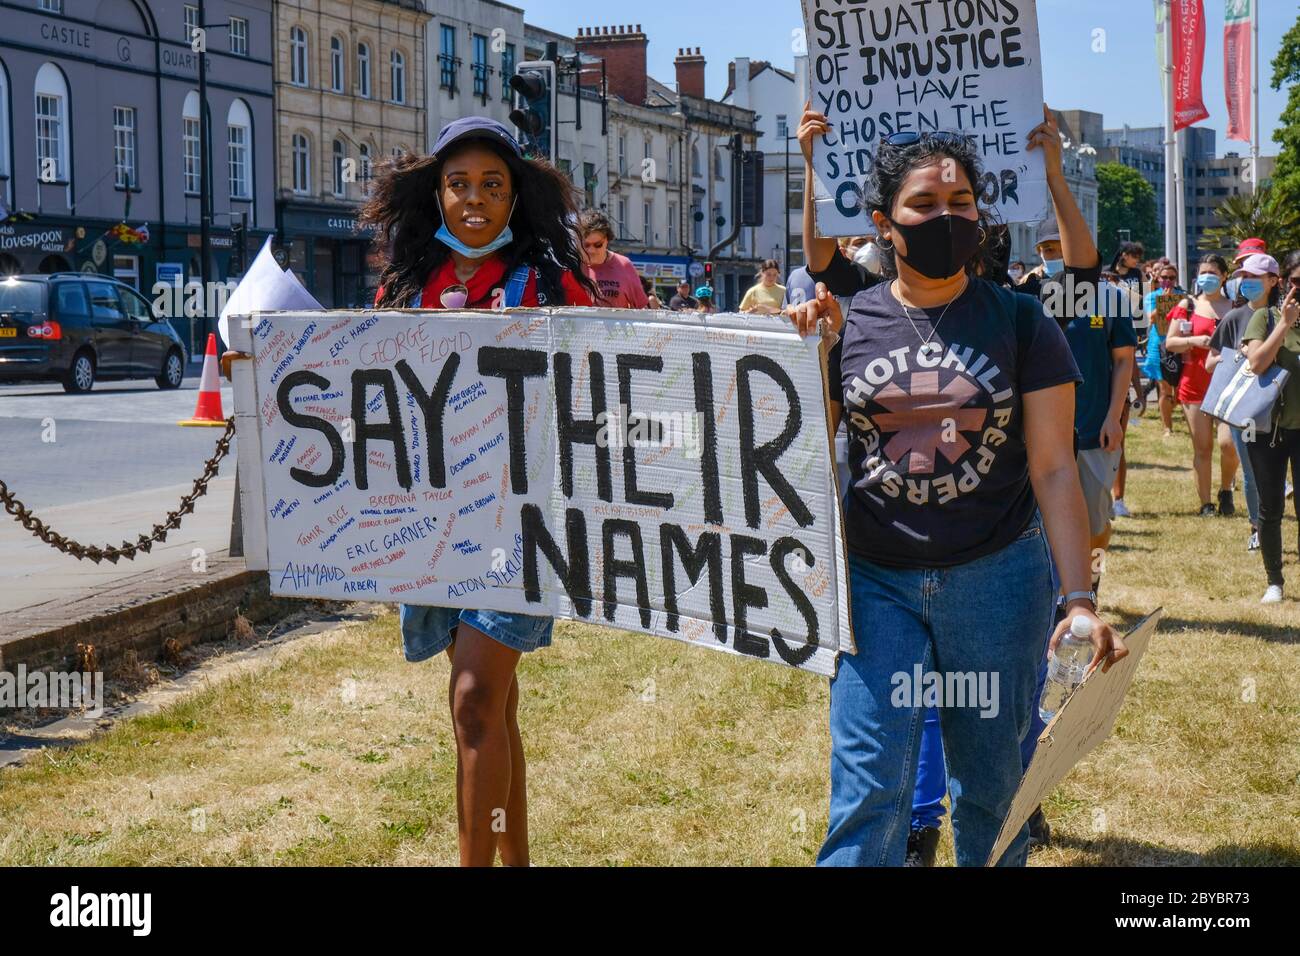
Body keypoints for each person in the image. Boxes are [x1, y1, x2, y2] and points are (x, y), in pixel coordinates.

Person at [788, 105, 1126, 867]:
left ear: (982, 213)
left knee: (992, 790)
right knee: (868, 789)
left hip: (999, 583)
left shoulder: (1021, 321)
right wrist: (808, 350)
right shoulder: (851, 321)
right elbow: (805, 450)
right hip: (874, 585)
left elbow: (1051, 469)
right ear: (883, 223)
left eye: (961, 203)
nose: (947, 217)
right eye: (925, 206)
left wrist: (1077, 600)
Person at [362, 116, 596, 866]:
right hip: (435, 516)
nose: (473, 200)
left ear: (512, 198)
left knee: (470, 700)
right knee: (492, 710)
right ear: (435, 194)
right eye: (458, 184)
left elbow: (608, 371)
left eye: (492, 186)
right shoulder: (403, 286)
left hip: (523, 519)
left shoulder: (552, 281)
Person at [1208, 252, 1282, 551]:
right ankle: (1257, 527)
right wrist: (1239, 357)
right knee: (1253, 469)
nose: (1246, 282)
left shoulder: (1284, 317)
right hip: (1246, 408)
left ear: (1273, 281)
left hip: (1282, 406)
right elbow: (1211, 362)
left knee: (1277, 471)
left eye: (1253, 277)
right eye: (1244, 277)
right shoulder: (1233, 317)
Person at [1242, 251, 1300, 604]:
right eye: (1296, 281)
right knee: (1271, 507)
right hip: (1268, 430)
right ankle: (1274, 580)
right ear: (1283, 282)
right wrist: (1285, 324)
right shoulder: (1265, 317)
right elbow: (1257, 362)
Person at [1164, 254, 1238, 516]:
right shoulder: (1188, 305)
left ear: (1224, 276)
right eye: (1202, 271)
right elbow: (1170, 342)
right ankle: (1206, 503)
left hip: (1229, 385)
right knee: (1202, 448)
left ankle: (1226, 488)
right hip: (1193, 384)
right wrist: (1194, 341)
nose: (1206, 277)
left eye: (1213, 272)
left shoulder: (1235, 306)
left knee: (1229, 444)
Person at [1141, 261, 1184, 437]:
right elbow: (1151, 317)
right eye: (1164, 278)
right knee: (1164, 389)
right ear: (1158, 279)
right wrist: (1166, 302)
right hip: (1158, 346)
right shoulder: (1151, 297)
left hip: (1181, 346)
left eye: (1171, 278)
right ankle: (1167, 427)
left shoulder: (1183, 297)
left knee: (1179, 391)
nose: (1168, 281)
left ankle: (1172, 409)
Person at [578, 209, 649, 309]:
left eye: (598, 245)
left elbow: (642, 309)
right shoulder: (574, 267)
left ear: (607, 240)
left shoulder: (624, 265)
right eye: (586, 245)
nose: (591, 250)